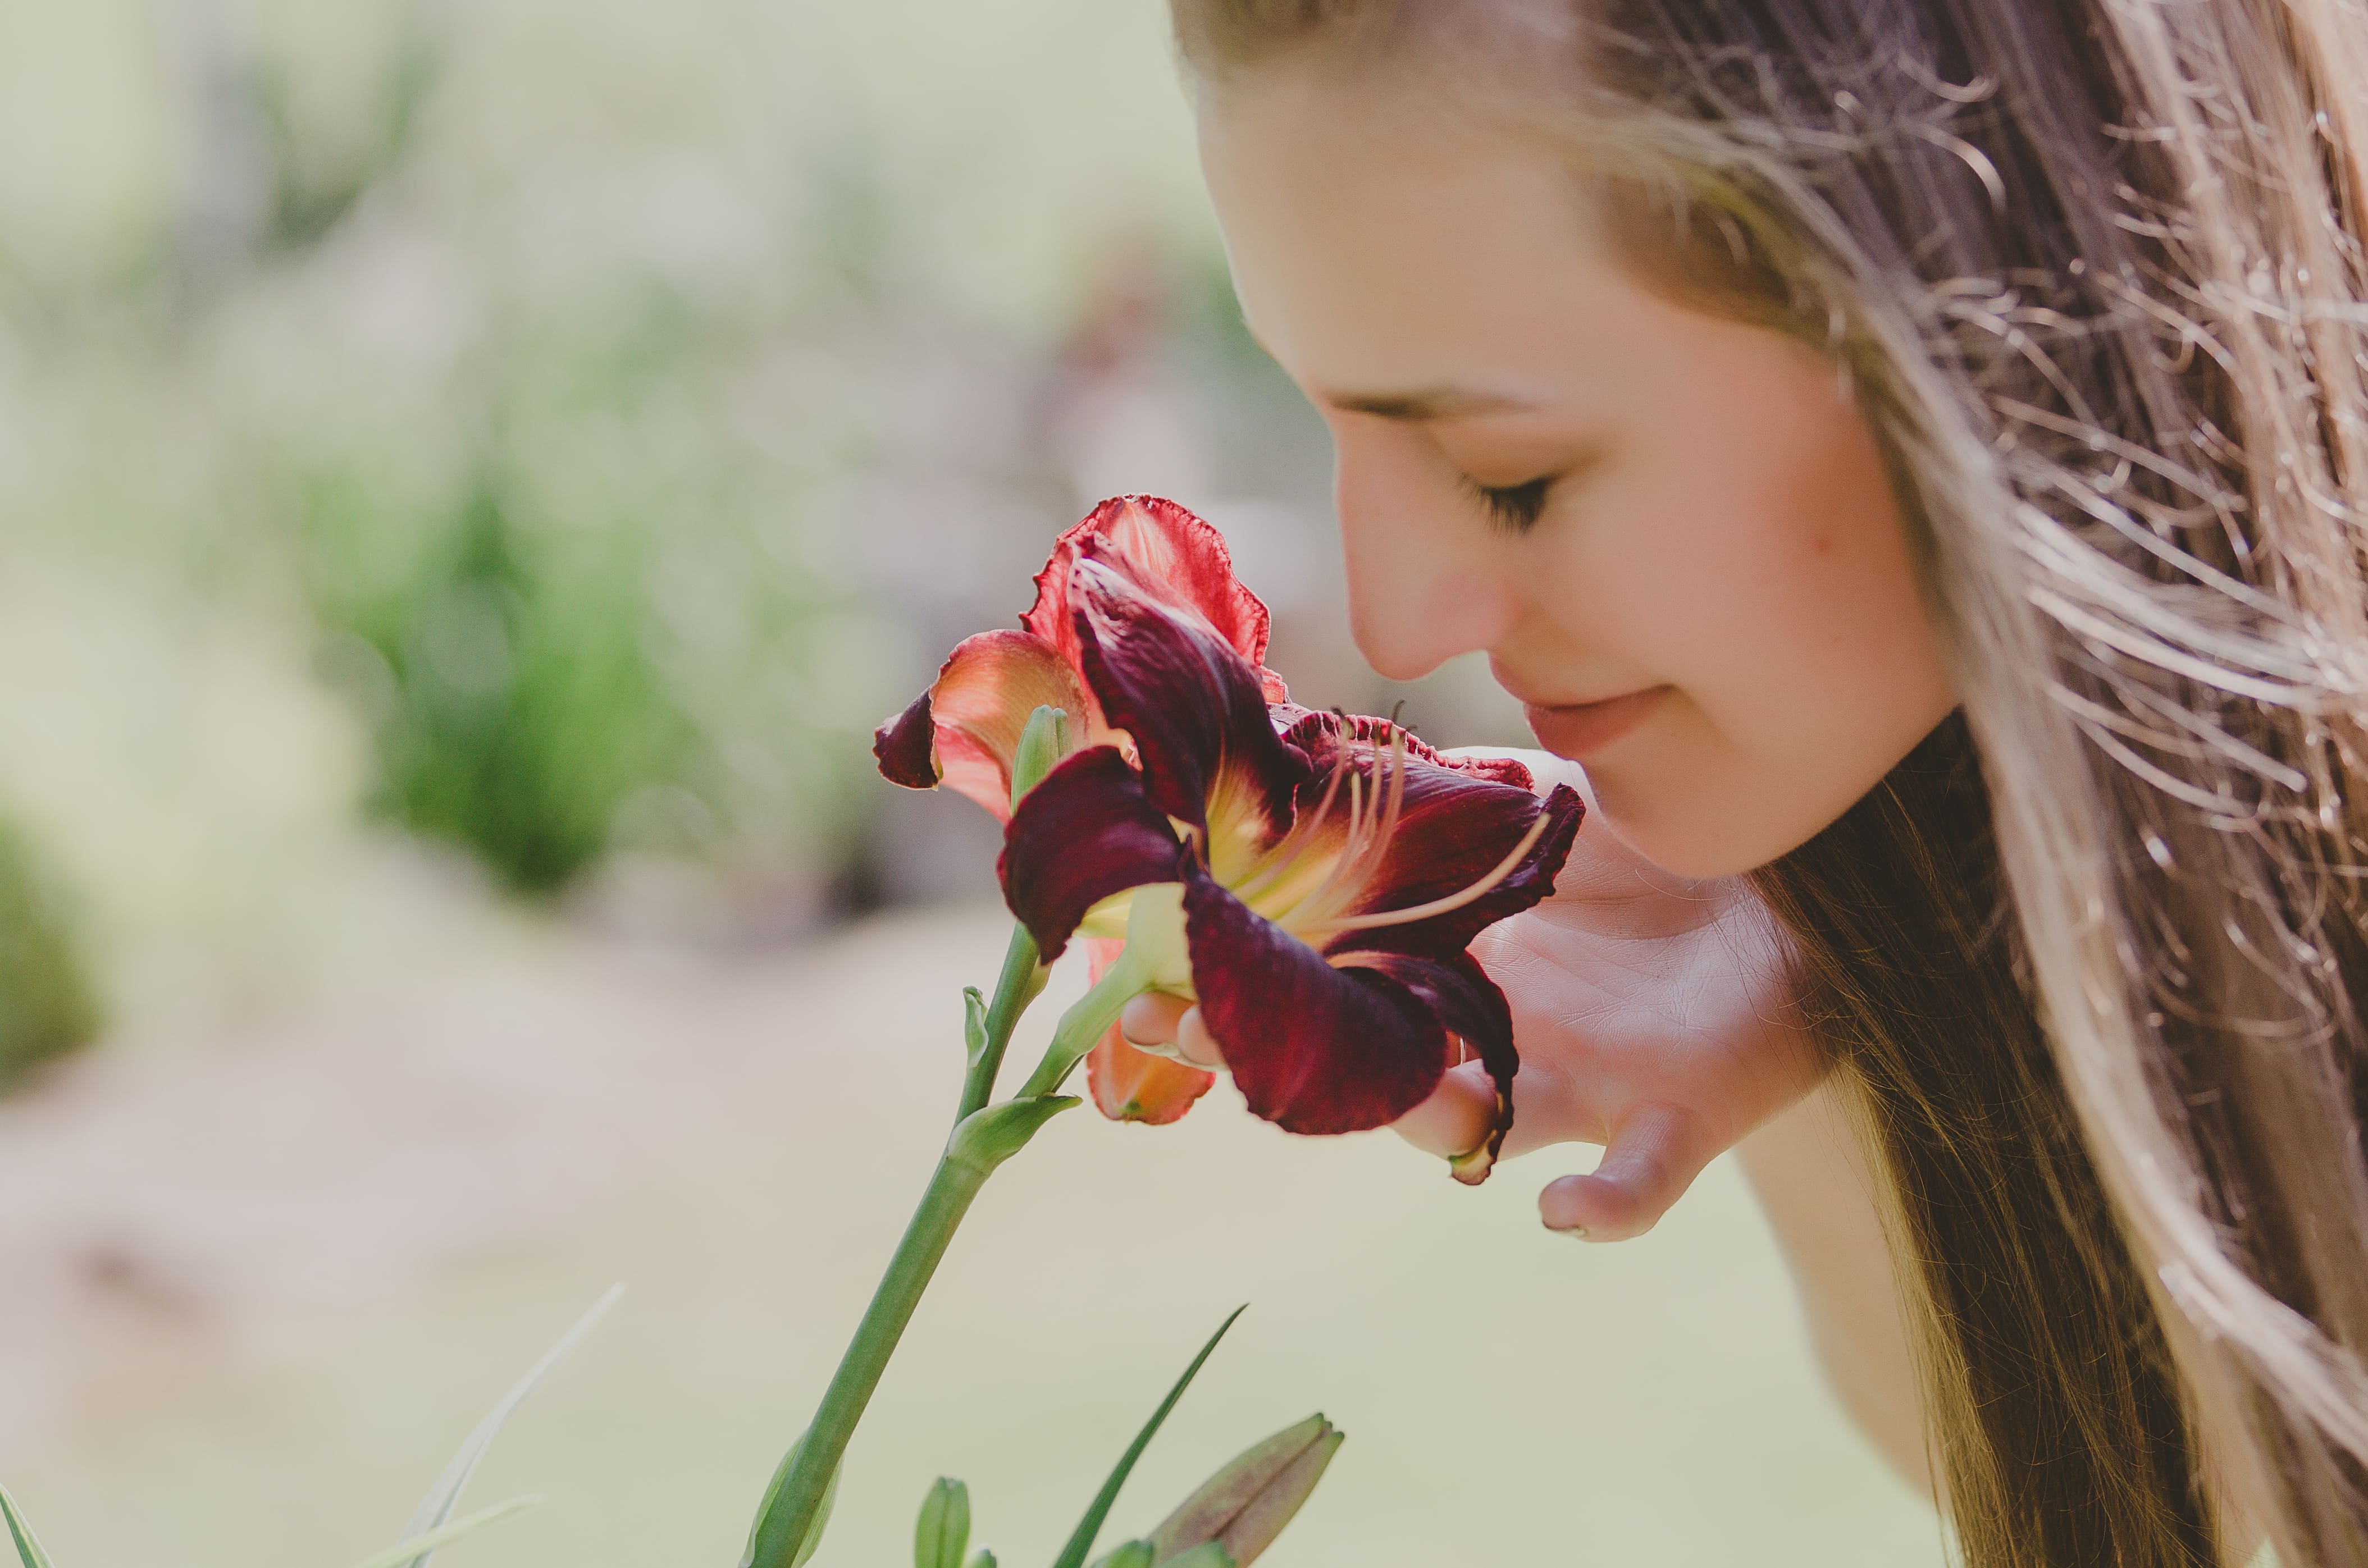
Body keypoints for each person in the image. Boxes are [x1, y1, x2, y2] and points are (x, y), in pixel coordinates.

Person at [1107, 3, 2368, 1564]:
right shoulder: (1841, 884)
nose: (1394, 624)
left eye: (1510, 474)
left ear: (2001, 312)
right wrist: (1857, 975)